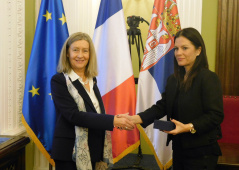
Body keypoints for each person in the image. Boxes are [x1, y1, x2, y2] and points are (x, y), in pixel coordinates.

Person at [126, 27, 224, 170]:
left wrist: (189, 127)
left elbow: (215, 115)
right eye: (176, 49)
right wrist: (135, 119)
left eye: (185, 48)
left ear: (198, 50)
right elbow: (162, 106)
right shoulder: (174, 79)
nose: (179, 53)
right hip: (179, 148)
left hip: (202, 152)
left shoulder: (208, 78)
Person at [50, 32, 134, 170]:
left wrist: (117, 118)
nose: (80, 55)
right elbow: (74, 115)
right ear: (67, 53)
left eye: (85, 51)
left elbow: (95, 112)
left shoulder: (91, 80)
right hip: (69, 152)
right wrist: (113, 120)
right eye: (75, 50)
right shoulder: (59, 80)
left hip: (94, 149)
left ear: (90, 54)